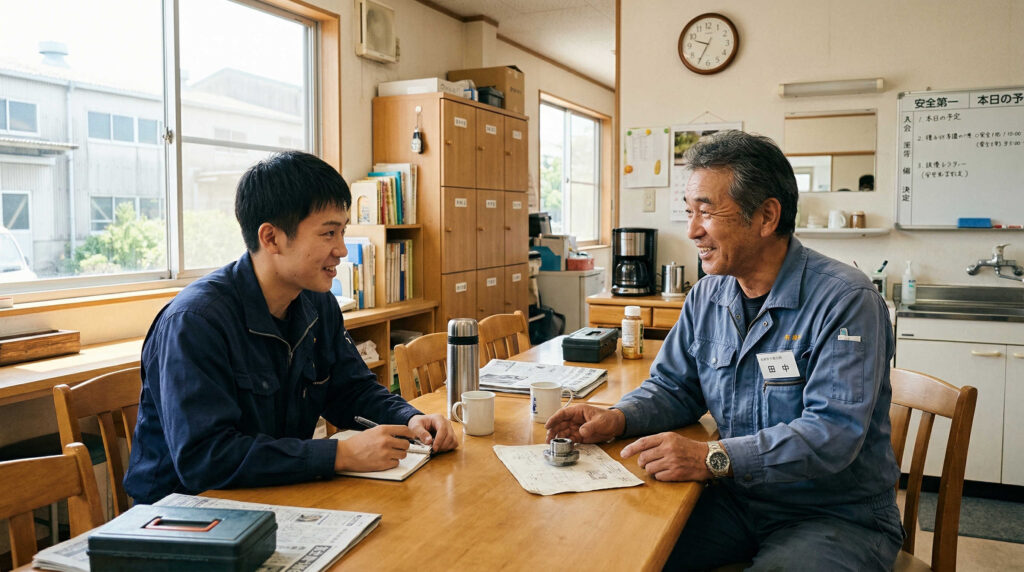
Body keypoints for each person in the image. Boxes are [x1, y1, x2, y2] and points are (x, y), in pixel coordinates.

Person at [546, 131, 902, 571]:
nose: (692, 230)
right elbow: (675, 387)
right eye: (689, 212)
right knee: (618, 548)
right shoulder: (708, 295)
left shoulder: (846, 300)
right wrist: (619, 417)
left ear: (767, 216)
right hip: (736, 500)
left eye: (707, 212)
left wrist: (713, 456)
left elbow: (833, 433)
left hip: (834, 515)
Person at [125, 151, 456, 504]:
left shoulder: (317, 302)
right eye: (328, 233)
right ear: (271, 238)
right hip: (180, 519)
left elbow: (352, 391)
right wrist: (340, 455)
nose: (342, 250)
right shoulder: (195, 322)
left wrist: (412, 419)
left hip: (273, 495)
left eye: (342, 231)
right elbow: (205, 459)